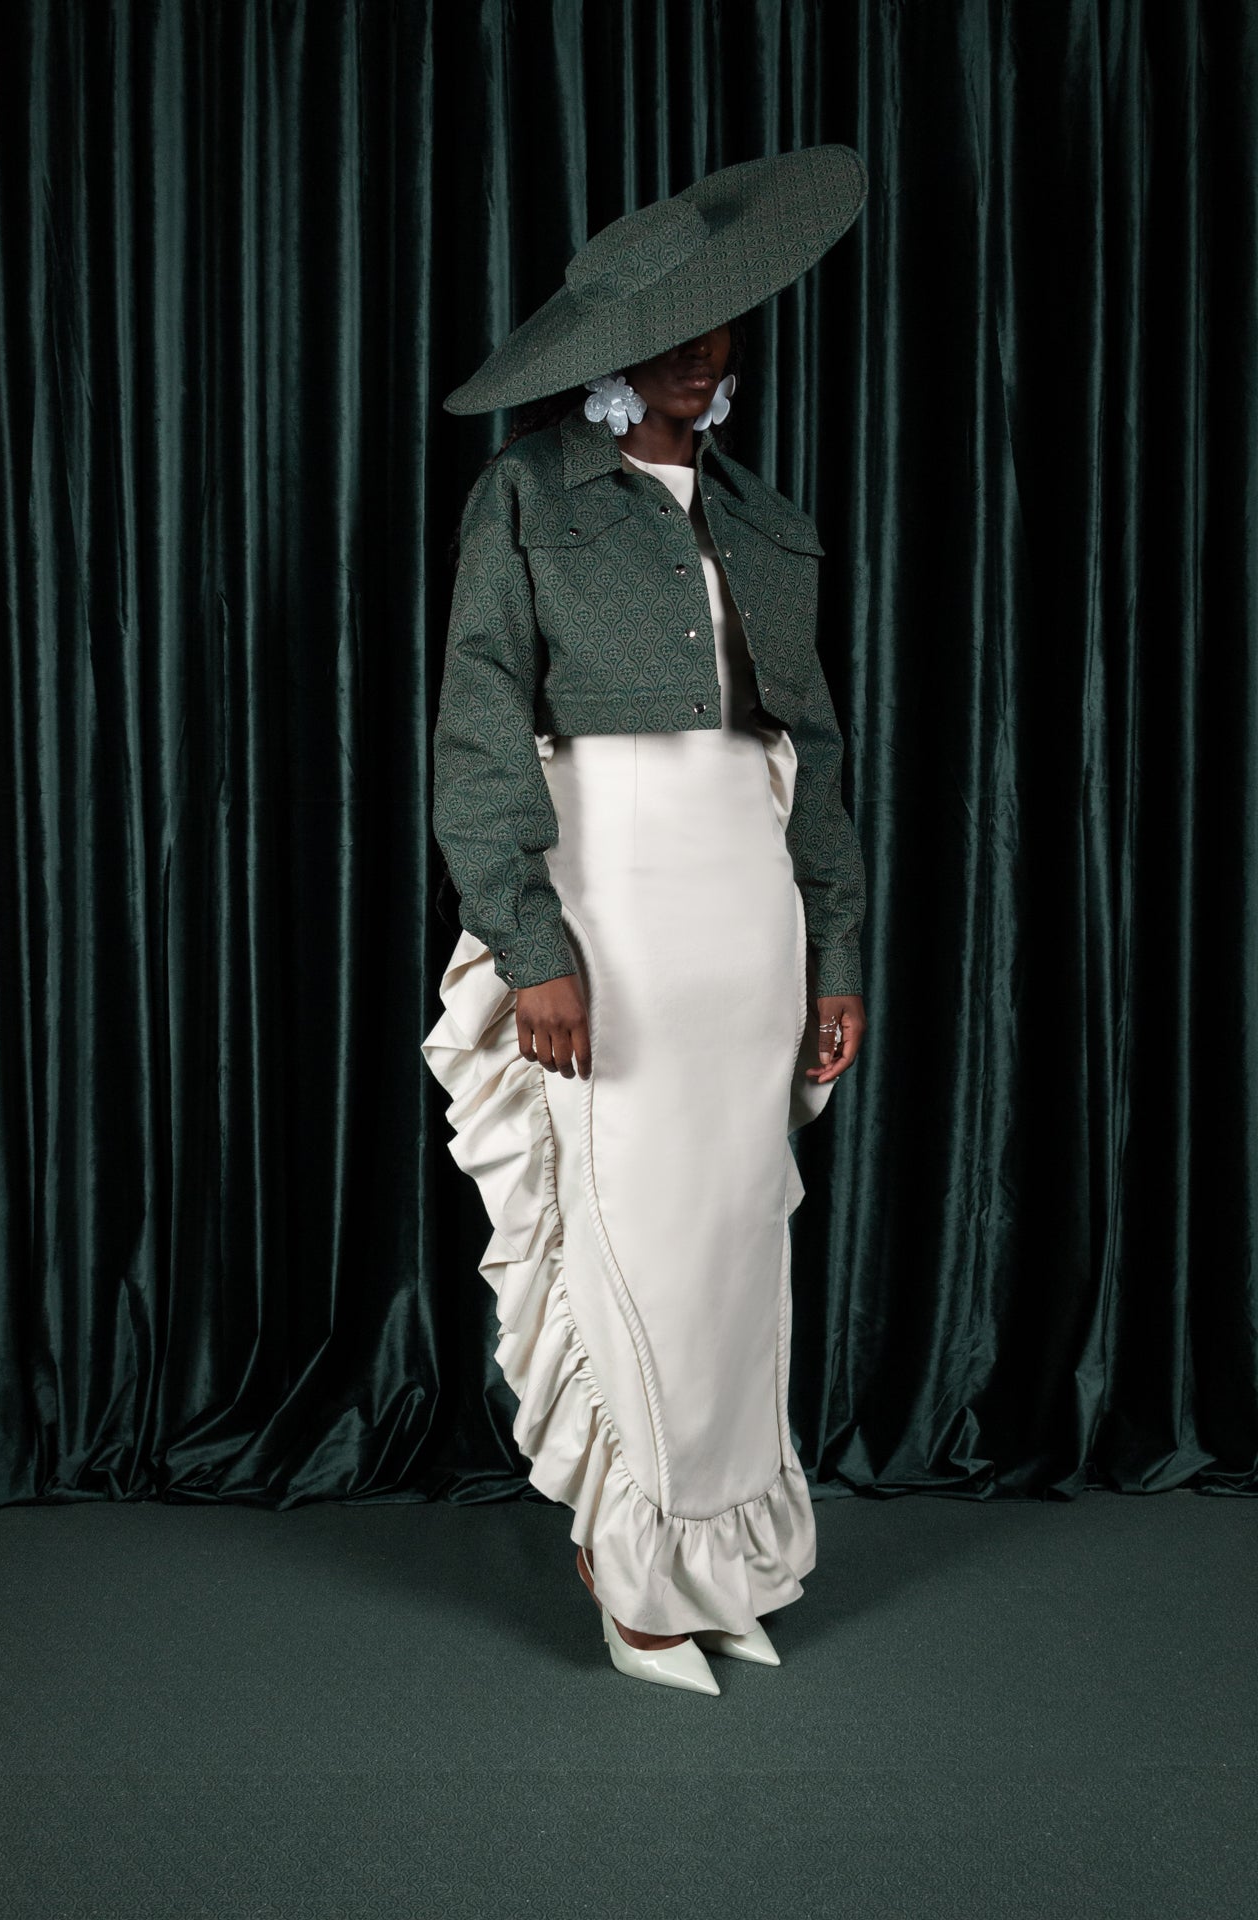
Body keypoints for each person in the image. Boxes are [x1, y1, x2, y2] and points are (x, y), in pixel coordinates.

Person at [421, 148, 869, 1695]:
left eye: (716, 319)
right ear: (608, 347)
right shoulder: (527, 495)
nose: (697, 350)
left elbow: (813, 761)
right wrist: (534, 948)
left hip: (750, 918)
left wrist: (838, 954)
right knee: (639, 1244)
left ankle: (721, 1564)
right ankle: (632, 1575)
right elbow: (479, 733)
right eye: (663, 328)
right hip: (610, 903)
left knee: (739, 1252)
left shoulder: (766, 519)